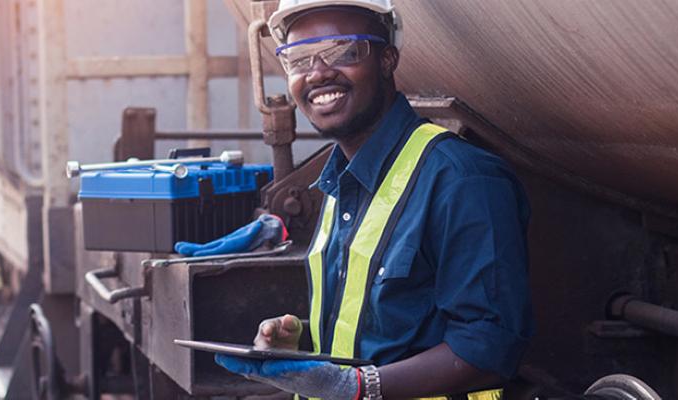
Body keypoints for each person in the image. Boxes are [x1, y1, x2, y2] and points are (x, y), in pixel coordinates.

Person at [213, 1, 534, 399]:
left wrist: (362, 388)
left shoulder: (462, 179)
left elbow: (489, 345)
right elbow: (387, 322)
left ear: (387, 59)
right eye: (298, 59)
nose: (318, 73)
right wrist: (302, 335)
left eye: (342, 51)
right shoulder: (340, 181)